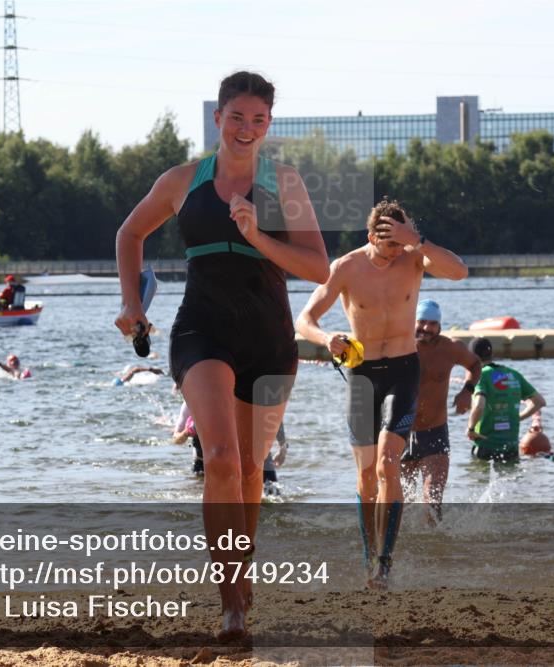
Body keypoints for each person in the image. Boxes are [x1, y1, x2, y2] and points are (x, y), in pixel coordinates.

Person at [114, 71, 329, 639]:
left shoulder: (284, 183)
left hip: (270, 338)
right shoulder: (182, 180)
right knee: (223, 460)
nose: (246, 128)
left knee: (254, 470)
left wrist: (260, 237)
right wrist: (132, 303)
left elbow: (318, 268)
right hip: (201, 333)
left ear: (269, 125)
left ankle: (242, 572)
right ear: (218, 117)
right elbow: (129, 235)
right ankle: (232, 602)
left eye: (258, 120)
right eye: (237, 116)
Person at [295, 198, 468, 588]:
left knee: (389, 462)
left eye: (402, 241)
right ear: (372, 236)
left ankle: (385, 564)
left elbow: (459, 271)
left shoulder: (413, 256)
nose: (397, 252)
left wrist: (416, 241)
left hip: (404, 371)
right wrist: (326, 338)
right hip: (362, 374)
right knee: (366, 476)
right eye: (390, 243)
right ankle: (368, 553)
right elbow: (304, 319)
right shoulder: (346, 267)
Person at [405, 299, 482, 521]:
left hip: (434, 430)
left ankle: (437, 546)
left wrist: (467, 390)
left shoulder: (450, 348)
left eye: (433, 324)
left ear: (440, 326)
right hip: (400, 432)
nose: (427, 328)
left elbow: (475, 365)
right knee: (401, 501)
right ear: (413, 321)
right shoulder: (400, 346)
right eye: (421, 322)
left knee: (433, 497)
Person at [466, 338, 545, 463]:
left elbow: (479, 405)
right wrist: (518, 417)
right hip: (510, 445)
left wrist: (470, 429)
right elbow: (539, 402)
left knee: (479, 481)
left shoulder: (480, 375)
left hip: (485, 444)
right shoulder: (513, 374)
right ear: (491, 354)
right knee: (509, 479)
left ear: (471, 357)